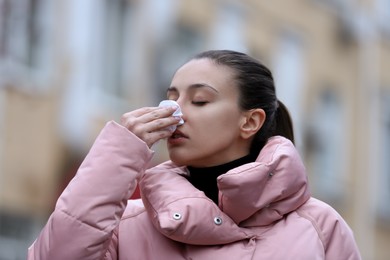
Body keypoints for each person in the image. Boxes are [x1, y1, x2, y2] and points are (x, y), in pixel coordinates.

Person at [28, 50, 361, 259]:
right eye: (170, 97)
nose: (174, 111)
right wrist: (117, 155)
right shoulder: (125, 224)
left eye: (199, 101)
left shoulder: (320, 226)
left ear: (250, 121)